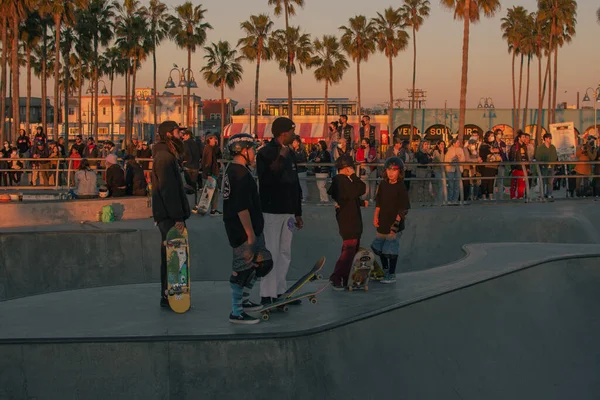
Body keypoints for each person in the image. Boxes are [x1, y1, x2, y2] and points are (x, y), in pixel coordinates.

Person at [223, 133, 274, 324]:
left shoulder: (235, 169)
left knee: (263, 263)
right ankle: (236, 311)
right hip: (243, 231)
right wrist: (250, 234)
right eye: (252, 149)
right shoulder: (240, 174)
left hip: (250, 229)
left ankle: (244, 302)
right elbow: (240, 206)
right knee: (242, 269)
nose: (254, 153)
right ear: (243, 151)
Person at [256, 117, 303, 306]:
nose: (294, 134)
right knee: (272, 252)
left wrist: (298, 212)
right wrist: (281, 157)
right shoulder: (265, 153)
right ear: (283, 133)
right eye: (292, 131)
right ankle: (267, 294)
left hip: (289, 211)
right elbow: (267, 180)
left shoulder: (290, 153)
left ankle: (281, 291)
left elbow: (295, 184)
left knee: (285, 252)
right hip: (271, 211)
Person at [152, 120, 191, 308]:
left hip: (168, 215)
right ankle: (168, 296)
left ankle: (170, 294)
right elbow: (167, 190)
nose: (180, 136)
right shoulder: (164, 158)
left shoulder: (167, 156)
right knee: (172, 257)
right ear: (168, 135)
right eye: (177, 133)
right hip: (169, 218)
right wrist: (178, 217)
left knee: (173, 256)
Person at [327, 154, 367, 291]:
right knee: (348, 251)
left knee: (351, 251)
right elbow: (361, 189)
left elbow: (347, 197)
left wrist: (360, 202)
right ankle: (336, 277)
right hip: (349, 221)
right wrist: (355, 177)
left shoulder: (341, 181)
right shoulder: (342, 180)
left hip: (350, 220)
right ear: (347, 168)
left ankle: (344, 277)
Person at [371, 157, 410, 284]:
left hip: (394, 223)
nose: (391, 173)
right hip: (383, 221)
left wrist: (396, 224)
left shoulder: (401, 187)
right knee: (379, 247)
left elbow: (403, 208)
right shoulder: (383, 184)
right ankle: (385, 270)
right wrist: (376, 216)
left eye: (394, 170)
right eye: (389, 170)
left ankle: (392, 274)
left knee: (391, 249)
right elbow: (379, 202)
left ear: (400, 172)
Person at [196, 132, 222, 216]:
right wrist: (209, 174)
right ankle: (212, 210)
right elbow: (207, 162)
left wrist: (216, 145)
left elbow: (218, 154)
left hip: (210, 173)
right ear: (209, 139)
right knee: (213, 191)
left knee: (209, 191)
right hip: (211, 173)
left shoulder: (209, 148)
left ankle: (202, 208)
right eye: (214, 138)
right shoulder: (209, 149)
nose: (215, 140)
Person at [534, 133, 558, 199]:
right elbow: (538, 157)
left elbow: (555, 156)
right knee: (543, 181)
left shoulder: (552, 147)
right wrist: (542, 164)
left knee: (550, 181)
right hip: (544, 167)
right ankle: (542, 194)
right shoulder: (540, 148)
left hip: (551, 166)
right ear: (545, 139)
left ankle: (549, 194)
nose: (550, 139)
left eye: (550, 138)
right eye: (549, 138)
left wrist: (553, 163)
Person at [508, 131, 530, 199]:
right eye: (523, 137)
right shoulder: (514, 146)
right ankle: (513, 196)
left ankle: (520, 195)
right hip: (516, 167)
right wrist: (513, 167)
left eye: (525, 137)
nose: (524, 138)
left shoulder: (524, 146)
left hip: (523, 167)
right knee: (514, 182)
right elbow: (511, 157)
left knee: (522, 183)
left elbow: (527, 157)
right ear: (519, 138)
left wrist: (528, 166)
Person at [444, 138, 466, 203]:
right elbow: (446, 160)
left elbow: (463, 159)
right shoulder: (449, 150)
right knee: (451, 184)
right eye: (457, 142)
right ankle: (449, 199)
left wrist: (459, 159)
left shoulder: (461, 150)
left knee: (457, 184)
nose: (459, 144)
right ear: (453, 143)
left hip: (458, 168)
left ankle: (455, 199)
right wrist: (452, 160)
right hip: (450, 169)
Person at [182, 130, 201, 198]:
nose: (183, 136)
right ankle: (195, 200)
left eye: (184, 135)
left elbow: (187, 154)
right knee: (194, 184)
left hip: (188, 166)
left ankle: (190, 201)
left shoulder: (185, 143)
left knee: (189, 185)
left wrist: (185, 162)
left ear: (188, 135)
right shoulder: (196, 143)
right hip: (196, 166)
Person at [291, 135, 308, 202]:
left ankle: (304, 197)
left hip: (301, 170)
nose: (293, 144)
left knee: (302, 184)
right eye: (292, 142)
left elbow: (303, 159)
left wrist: (296, 160)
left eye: (294, 142)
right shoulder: (291, 151)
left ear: (298, 143)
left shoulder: (302, 151)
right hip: (294, 170)